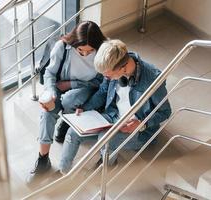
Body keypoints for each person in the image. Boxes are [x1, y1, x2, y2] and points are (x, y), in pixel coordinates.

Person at [59, 39, 172, 173]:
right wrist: (85, 108)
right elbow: (102, 92)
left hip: (137, 129)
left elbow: (165, 112)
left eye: (108, 74)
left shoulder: (153, 79)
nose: (105, 77)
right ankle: (63, 172)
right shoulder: (113, 72)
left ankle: (108, 165)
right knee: (73, 132)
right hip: (111, 117)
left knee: (105, 140)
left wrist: (142, 124)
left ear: (122, 67)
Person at [27, 21, 106, 182]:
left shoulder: (103, 51)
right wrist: (50, 92)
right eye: (81, 50)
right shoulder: (62, 47)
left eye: (90, 51)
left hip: (86, 88)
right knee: (47, 113)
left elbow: (101, 82)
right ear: (75, 43)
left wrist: (72, 84)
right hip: (59, 87)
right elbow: (49, 73)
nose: (85, 54)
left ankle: (68, 122)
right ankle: (43, 159)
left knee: (71, 99)